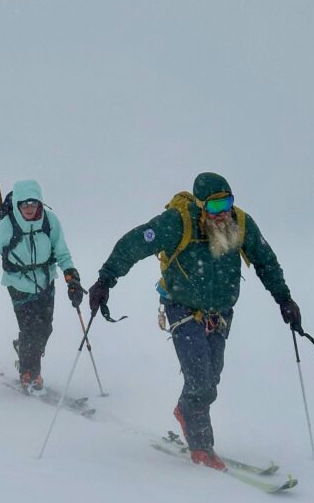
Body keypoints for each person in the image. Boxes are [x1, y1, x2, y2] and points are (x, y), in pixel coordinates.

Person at [88, 172, 303, 470]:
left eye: (227, 203)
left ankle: (185, 410)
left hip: (221, 314)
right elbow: (134, 244)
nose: (222, 212)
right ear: (201, 206)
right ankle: (202, 447)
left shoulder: (239, 223)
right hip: (183, 310)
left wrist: (284, 299)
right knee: (200, 380)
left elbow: (266, 260)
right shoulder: (177, 223)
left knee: (211, 377)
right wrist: (105, 279)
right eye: (214, 207)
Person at [0, 179, 83, 390]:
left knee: (45, 328)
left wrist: (71, 276)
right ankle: (30, 373)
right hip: (18, 284)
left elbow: (62, 251)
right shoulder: (8, 224)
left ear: (40, 203)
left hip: (46, 280)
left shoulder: (51, 221)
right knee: (30, 329)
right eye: (24, 204)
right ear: (18, 205)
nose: (29, 208)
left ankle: (24, 351)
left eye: (33, 204)